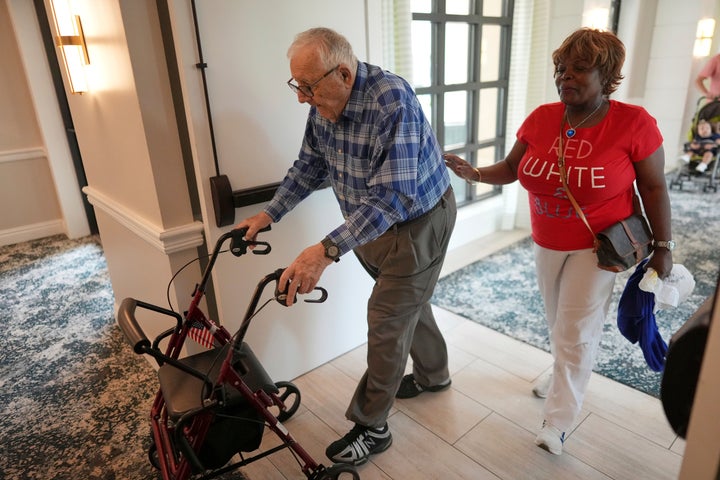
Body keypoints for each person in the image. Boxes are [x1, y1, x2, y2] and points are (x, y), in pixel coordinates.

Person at [444, 28, 673, 455]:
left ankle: (558, 420)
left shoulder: (633, 124)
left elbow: (655, 188)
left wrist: (664, 247)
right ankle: (563, 371)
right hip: (545, 239)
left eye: (579, 69)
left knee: (577, 330)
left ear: (607, 77)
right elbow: (514, 167)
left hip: (599, 246)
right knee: (558, 322)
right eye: (561, 68)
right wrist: (474, 173)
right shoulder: (542, 118)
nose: (565, 76)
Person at [236, 27, 456, 466]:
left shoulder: (390, 100)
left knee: (387, 319)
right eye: (296, 85)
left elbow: (393, 197)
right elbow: (309, 166)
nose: (301, 97)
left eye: (308, 87)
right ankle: (435, 376)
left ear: (342, 73)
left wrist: (324, 251)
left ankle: (373, 426)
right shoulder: (324, 103)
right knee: (409, 305)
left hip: (417, 224)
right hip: (367, 230)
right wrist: (270, 213)